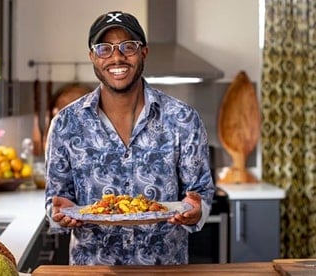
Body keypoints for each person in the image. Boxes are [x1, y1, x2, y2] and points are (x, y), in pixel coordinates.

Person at [44, 11, 214, 265]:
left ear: (143, 52)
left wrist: (197, 211)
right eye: (104, 48)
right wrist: (58, 212)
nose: (117, 57)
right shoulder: (65, 124)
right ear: (92, 56)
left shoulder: (183, 119)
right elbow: (55, 198)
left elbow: (201, 191)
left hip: (164, 268)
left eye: (128, 46)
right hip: (93, 270)